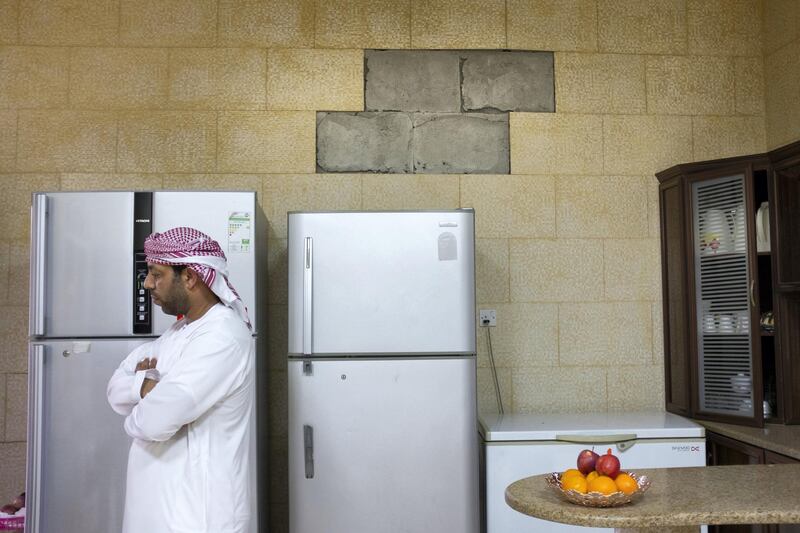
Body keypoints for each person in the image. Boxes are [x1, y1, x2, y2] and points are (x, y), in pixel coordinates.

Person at [107, 227, 255, 533]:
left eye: (156, 273)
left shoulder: (223, 337)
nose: (147, 284)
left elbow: (153, 423)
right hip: (157, 512)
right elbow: (114, 390)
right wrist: (146, 387)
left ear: (190, 277)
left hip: (196, 517)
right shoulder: (177, 333)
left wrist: (138, 404)